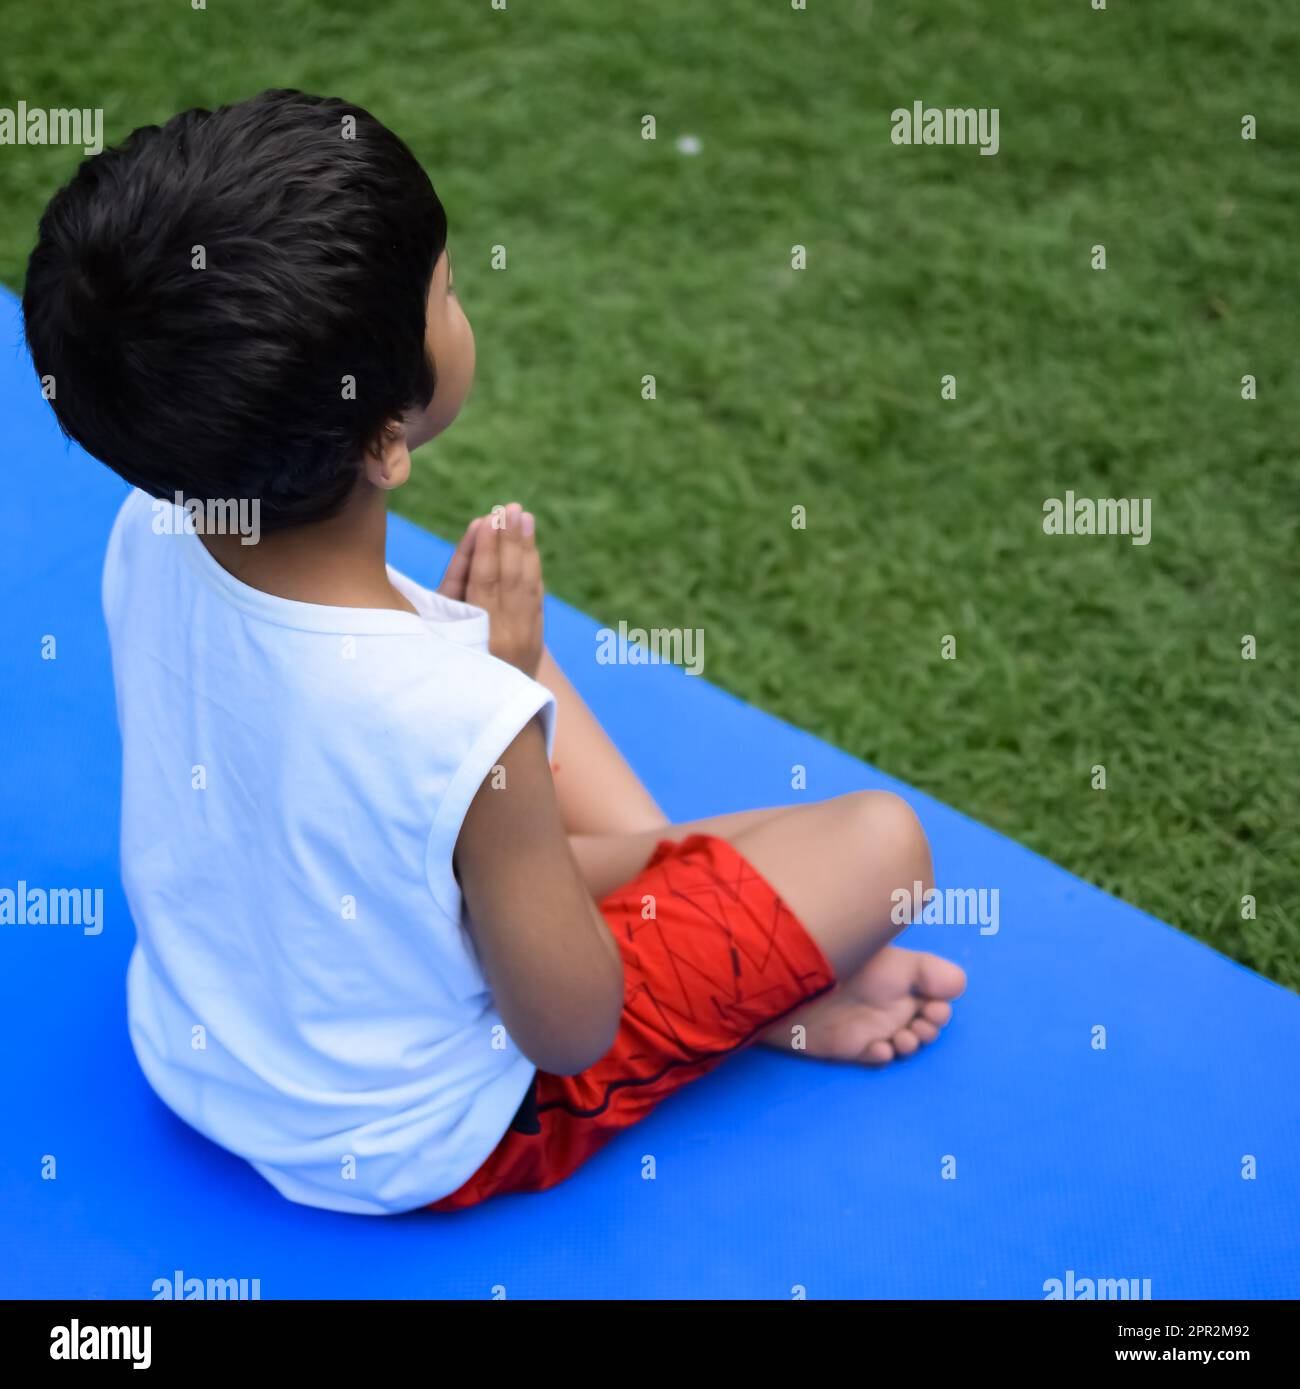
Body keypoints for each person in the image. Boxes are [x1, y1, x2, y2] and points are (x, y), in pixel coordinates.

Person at [22, 89, 965, 1215]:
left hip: (205, 1053)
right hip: (432, 1136)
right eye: (448, 294)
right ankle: (766, 998)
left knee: (511, 686)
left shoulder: (153, 525)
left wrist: (493, 696)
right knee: (885, 845)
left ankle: (750, 950)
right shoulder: (457, 715)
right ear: (383, 440)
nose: (461, 309)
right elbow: (569, 1027)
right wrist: (502, 697)